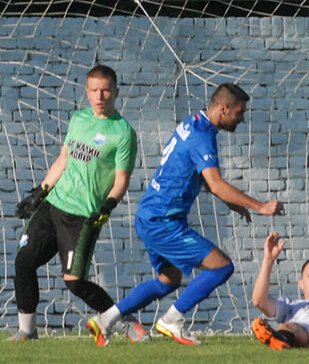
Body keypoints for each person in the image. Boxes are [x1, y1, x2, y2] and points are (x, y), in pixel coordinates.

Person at [87, 82, 283, 346]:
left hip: (149, 215)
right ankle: (171, 321)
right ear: (223, 109)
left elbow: (194, 173)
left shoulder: (193, 123)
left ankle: (105, 320)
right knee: (223, 266)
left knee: (168, 281)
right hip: (163, 221)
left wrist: (231, 203)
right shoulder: (202, 136)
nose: (242, 118)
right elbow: (215, 182)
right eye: (239, 112)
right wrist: (259, 206)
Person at [11, 65, 137, 342]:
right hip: (53, 206)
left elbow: (121, 180)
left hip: (83, 216)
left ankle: (126, 321)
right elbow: (63, 159)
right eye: (94, 90)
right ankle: (27, 332)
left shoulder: (123, 132)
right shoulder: (79, 119)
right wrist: (40, 192)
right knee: (24, 262)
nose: (100, 95)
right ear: (87, 92)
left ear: (116, 92)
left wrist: (108, 206)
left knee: (75, 283)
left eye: (105, 90)